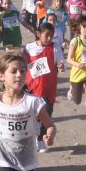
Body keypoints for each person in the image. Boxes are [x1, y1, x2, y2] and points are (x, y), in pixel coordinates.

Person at [24, 22, 65, 152]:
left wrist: (60, 66)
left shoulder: (55, 47)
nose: (49, 38)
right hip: (32, 87)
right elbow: (23, 63)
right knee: (31, 115)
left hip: (48, 88)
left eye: (51, 36)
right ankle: (31, 138)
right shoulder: (29, 48)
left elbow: (60, 62)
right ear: (38, 34)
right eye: (46, 35)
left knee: (47, 113)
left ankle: (40, 139)